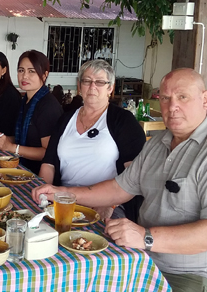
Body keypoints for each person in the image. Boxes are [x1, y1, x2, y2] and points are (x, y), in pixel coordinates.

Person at [32, 68, 207, 292]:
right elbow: (119, 188)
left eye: (182, 97)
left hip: (200, 276)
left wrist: (146, 237)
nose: (172, 106)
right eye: (165, 98)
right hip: (143, 262)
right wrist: (60, 192)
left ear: (205, 100)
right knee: (73, 272)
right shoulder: (160, 143)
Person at [40, 59, 146, 222]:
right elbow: (49, 164)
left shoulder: (123, 121)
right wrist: (44, 197)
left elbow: (134, 176)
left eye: (100, 82)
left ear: (110, 88)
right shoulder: (66, 119)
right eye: (87, 81)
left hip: (107, 204)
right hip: (64, 199)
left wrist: (110, 203)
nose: (92, 87)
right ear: (79, 85)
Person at [0, 50, 63, 175]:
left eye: (31, 71)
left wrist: (12, 148)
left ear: (45, 75)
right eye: (21, 70)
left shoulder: (47, 106)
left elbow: (49, 152)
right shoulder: (26, 100)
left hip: (40, 175)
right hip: (22, 169)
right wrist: (0, 137)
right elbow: (26, 140)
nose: (24, 76)